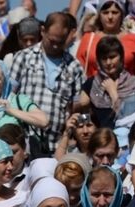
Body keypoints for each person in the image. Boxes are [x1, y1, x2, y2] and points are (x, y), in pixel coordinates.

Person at [7, 11, 84, 157]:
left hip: (56, 145)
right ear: (43, 31)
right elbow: (9, 95)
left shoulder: (74, 67)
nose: (55, 46)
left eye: (60, 42)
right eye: (51, 40)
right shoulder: (23, 57)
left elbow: (74, 108)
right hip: (24, 141)